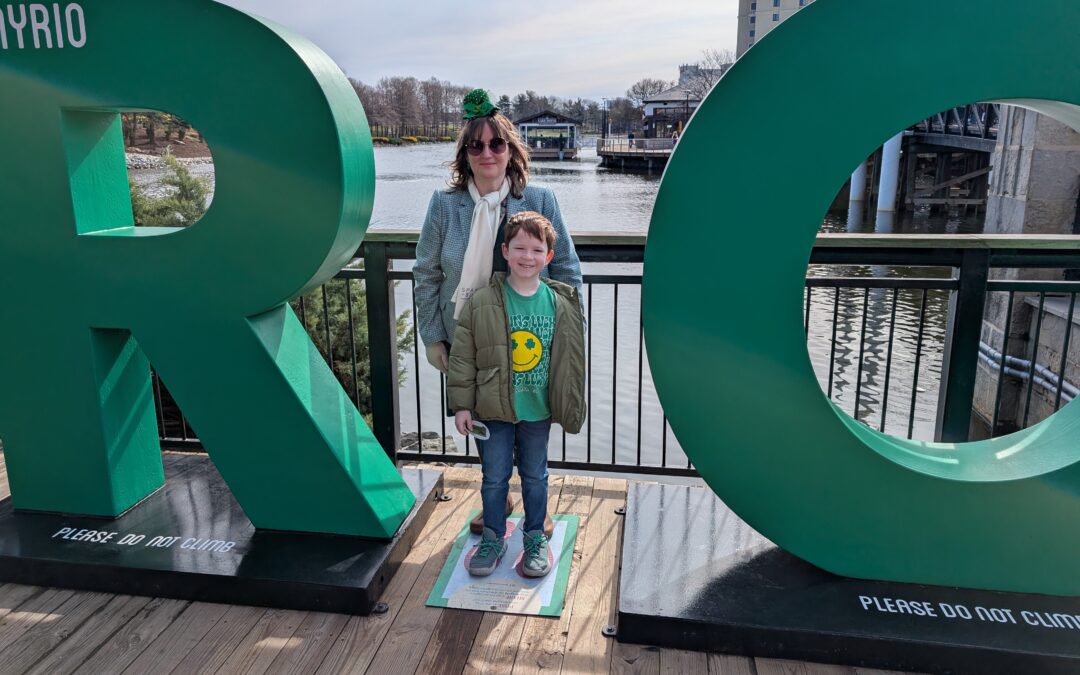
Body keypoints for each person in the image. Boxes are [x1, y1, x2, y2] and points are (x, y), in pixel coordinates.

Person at [414, 89, 582, 537]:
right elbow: (426, 273)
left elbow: (566, 269)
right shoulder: (444, 206)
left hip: (531, 338)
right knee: (482, 420)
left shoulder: (540, 200)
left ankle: (534, 506)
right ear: (465, 156)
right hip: (466, 338)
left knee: (529, 423)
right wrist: (432, 337)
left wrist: (566, 334)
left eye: (496, 144)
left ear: (511, 150)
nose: (487, 152)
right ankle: (498, 498)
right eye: (477, 145)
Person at [448, 211, 586, 577]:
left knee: (536, 476)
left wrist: (567, 403)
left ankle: (534, 538)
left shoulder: (560, 303)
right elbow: (463, 359)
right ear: (505, 252)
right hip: (491, 410)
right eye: (520, 248)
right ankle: (493, 539)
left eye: (537, 250)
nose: (528, 257)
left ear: (549, 257)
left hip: (537, 411)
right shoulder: (481, 302)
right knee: (494, 478)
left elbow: (570, 362)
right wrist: (462, 406)